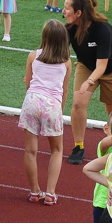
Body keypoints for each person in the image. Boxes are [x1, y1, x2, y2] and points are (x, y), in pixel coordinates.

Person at [63, 0, 112, 165]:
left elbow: (102, 66)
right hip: (86, 64)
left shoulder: (103, 29)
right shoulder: (69, 28)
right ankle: (78, 146)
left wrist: (88, 81)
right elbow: (59, 54)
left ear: (79, 13)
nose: (63, 12)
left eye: (66, 8)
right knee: (78, 103)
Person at [20, 20, 72, 206]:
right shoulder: (66, 62)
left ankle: (34, 191)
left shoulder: (33, 56)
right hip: (52, 105)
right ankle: (50, 192)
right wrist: (60, 109)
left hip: (32, 100)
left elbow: (29, 84)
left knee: (30, 150)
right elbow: (65, 90)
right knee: (57, 149)